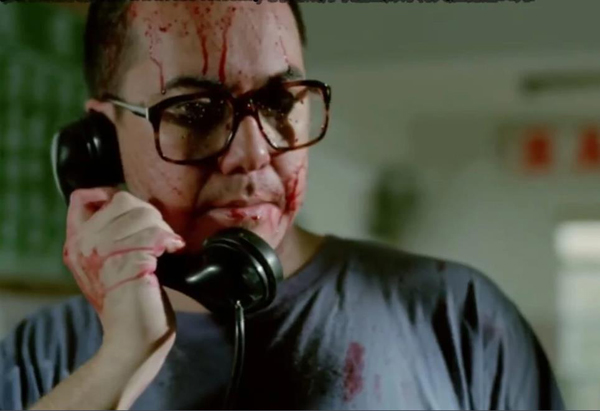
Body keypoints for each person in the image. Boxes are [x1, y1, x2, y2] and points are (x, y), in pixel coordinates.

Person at [0, 1, 564, 409]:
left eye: (278, 102)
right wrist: (121, 361)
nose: (254, 153)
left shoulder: (460, 318)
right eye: (195, 111)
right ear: (101, 141)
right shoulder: (42, 358)